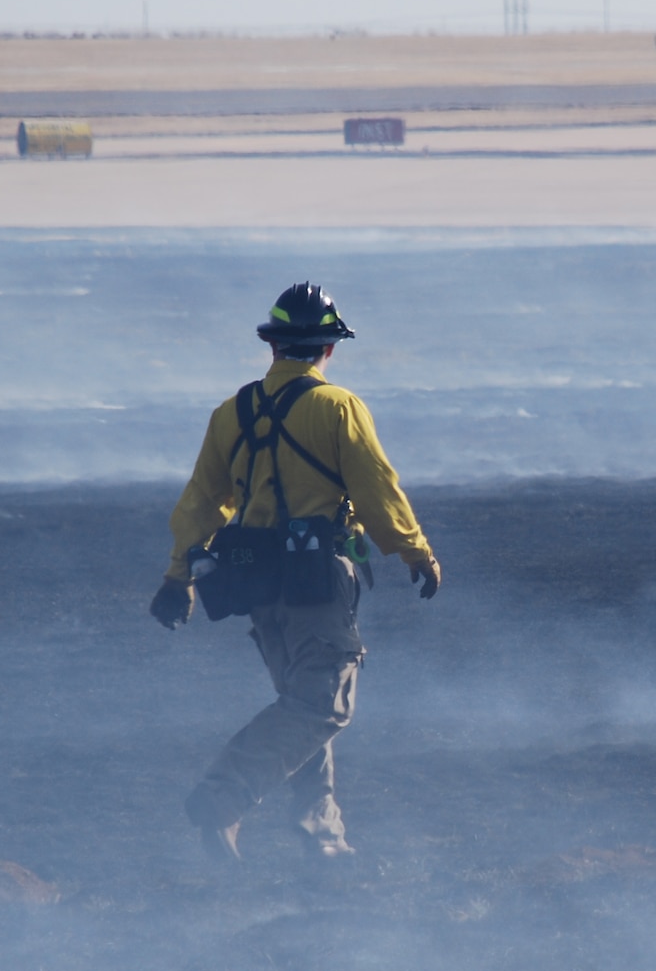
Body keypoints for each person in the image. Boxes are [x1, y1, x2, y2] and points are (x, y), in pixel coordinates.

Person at [150, 283, 442, 863]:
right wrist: (416, 551)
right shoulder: (338, 408)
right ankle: (221, 799)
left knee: (301, 703)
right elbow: (377, 490)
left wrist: (177, 576)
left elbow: (201, 503)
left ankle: (323, 839)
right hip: (317, 582)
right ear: (328, 348)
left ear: (275, 344)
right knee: (321, 707)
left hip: (259, 584)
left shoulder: (231, 413)